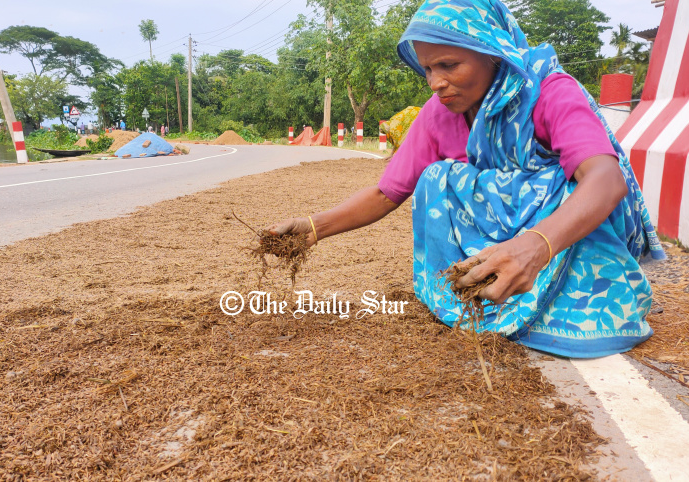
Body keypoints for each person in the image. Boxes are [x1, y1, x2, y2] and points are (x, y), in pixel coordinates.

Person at [266, 0, 665, 358]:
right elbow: (387, 192)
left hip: (556, 242)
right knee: (437, 179)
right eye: (427, 69)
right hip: (514, 244)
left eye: (449, 65)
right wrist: (314, 227)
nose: (435, 82)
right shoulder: (439, 113)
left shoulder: (548, 91)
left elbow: (606, 180)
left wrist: (535, 247)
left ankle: (558, 297)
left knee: (566, 183)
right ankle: (478, 293)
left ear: (493, 53)